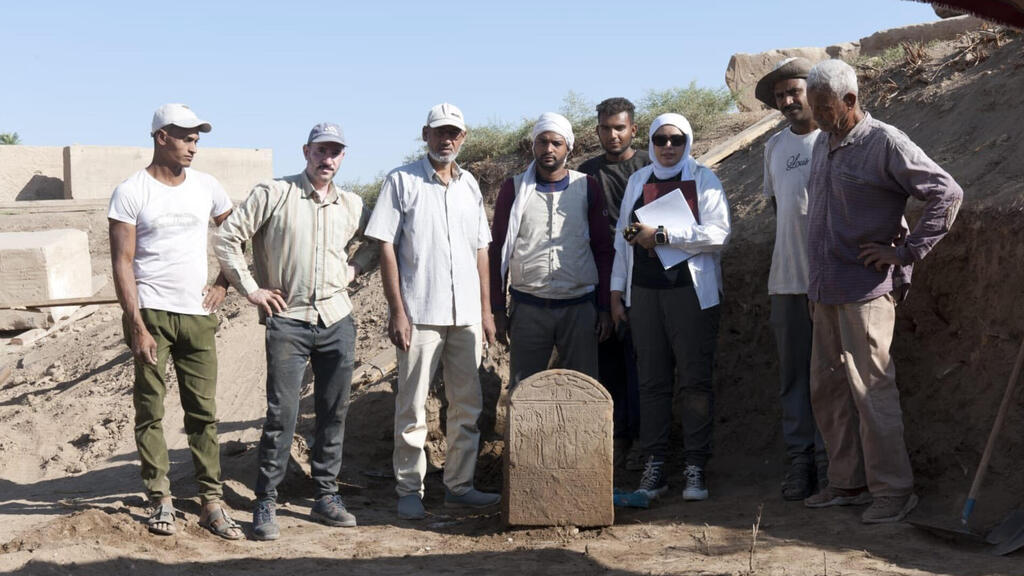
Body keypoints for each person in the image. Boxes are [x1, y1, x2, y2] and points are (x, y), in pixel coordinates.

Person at [802, 59, 962, 523]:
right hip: (825, 288)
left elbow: (947, 193)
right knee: (828, 389)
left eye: (824, 106)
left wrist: (906, 252)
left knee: (871, 390)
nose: (816, 115)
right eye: (813, 106)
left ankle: (894, 490)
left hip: (866, 290)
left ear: (850, 101)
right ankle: (848, 483)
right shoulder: (822, 142)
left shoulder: (885, 142)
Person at [214, 122, 376, 540]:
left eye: (335, 152)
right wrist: (251, 289)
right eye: (321, 151)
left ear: (343, 157)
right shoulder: (274, 193)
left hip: (337, 319)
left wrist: (355, 268)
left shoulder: (352, 204)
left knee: (333, 410)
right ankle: (265, 500)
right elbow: (228, 239)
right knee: (282, 414)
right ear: (306, 152)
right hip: (289, 319)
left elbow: (376, 240)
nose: (327, 159)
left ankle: (326, 496)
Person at [108, 103, 242, 540]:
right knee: (150, 409)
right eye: (186, 138)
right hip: (152, 313)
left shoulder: (207, 187)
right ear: (161, 137)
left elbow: (235, 235)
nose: (193, 147)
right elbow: (122, 262)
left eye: (197, 139)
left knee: (203, 412)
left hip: (199, 315)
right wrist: (136, 324)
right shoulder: (131, 191)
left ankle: (211, 502)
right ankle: (160, 497)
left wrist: (223, 282)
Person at [365, 102, 500, 521]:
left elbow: (481, 250)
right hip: (420, 311)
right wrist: (397, 311)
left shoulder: (469, 185)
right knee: (412, 405)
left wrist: (486, 311)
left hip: (466, 316)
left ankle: (460, 487)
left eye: (454, 133)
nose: (447, 140)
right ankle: (409, 489)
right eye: (439, 132)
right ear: (426, 135)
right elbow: (385, 246)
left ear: (463, 137)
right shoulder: (401, 181)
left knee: (467, 406)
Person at [610, 113, 730, 503]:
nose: (667, 147)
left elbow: (719, 233)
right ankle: (655, 464)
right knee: (651, 382)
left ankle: (695, 465)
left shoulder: (704, 179)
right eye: (660, 139)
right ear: (650, 142)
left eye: (676, 140)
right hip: (645, 293)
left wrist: (662, 234)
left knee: (694, 380)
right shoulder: (638, 180)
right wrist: (616, 291)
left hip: (690, 293)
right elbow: (623, 238)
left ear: (687, 142)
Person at [489, 112, 613, 386]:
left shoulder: (587, 186)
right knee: (525, 390)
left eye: (556, 143)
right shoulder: (514, 189)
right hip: (528, 307)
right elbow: (498, 250)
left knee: (582, 390)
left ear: (569, 147)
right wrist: (497, 309)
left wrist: (604, 307)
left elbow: (603, 250)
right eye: (542, 142)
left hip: (579, 307)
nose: (548, 149)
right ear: (533, 146)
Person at [754, 58, 828, 501]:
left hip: (833, 283)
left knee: (832, 377)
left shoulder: (836, 140)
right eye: (780, 95)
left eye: (794, 91)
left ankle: (831, 463)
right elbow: (779, 208)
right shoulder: (774, 148)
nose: (787, 100)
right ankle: (802, 462)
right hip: (786, 281)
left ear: (813, 91)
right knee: (794, 378)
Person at [578, 98, 650, 471]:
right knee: (607, 362)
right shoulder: (586, 173)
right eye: (606, 128)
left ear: (633, 129)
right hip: (599, 277)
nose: (613, 135)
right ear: (597, 131)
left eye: (619, 127)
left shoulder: (649, 168)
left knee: (641, 362)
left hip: (643, 274)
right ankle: (617, 438)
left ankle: (643, 440)